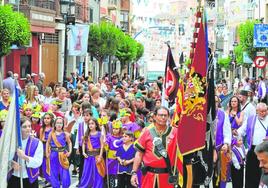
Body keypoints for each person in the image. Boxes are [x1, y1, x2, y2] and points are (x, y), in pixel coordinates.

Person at [131, 106, 179, 188]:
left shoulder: (175, 132)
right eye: (160, 115)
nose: (163, 118)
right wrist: (134, 173)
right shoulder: (147, 132)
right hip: (149, 176)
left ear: (168, 117)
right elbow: (139, 154)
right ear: (155, 116)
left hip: (167, 177)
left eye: (165, 115)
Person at [238, 102, 268, 188]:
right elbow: (241, 131)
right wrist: (237, 134)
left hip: (266, 150)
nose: (263, 113)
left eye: (265, 111)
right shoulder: (250, 119)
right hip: (253, 150)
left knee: (264, 174)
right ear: (257, 111)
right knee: (251, 174)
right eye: (261, 111)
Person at [8, 117, 43, 188]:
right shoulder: (12, 142)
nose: (28, 128)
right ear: (18, 128)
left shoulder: (37, 143)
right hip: (14, 176)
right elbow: (4, 157)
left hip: (30, 178)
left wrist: (24, 157)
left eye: (29, 126)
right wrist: (11, 163)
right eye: (24, 127)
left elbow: (38, 162)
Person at [46, 117, 72, 188]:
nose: (59, 125)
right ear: (54, 124)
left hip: (63, 154)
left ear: (63, 124)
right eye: (57, 123)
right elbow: (48, 143)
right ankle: (55, 186)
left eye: (61, 123)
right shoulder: (51, 134)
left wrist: (70, 151)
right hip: (53, 154)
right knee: (53, 172)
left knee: (64, 171)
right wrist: (47, 153)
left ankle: (65, 186)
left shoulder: (65, 134)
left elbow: (69, 143)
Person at [213, 95, 232, 188]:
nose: (214, 103)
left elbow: (227, 132)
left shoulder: (223, 114)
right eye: (212, 101)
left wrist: (226, 143)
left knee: (219, 176)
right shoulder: (202, 113)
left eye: (216, 101)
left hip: (219, 148)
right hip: (205, 150)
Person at [80, 118, 105, 187]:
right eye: (89, 124)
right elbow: (83, 144)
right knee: (87, 173)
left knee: (97, 172)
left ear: (96, 125)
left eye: (92, 124)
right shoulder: (87, 134)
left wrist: (100, 156)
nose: (90, 125)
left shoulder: (99, 134)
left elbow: (102, 146)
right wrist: (83, 152)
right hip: (88, 157)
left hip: (97, 156)